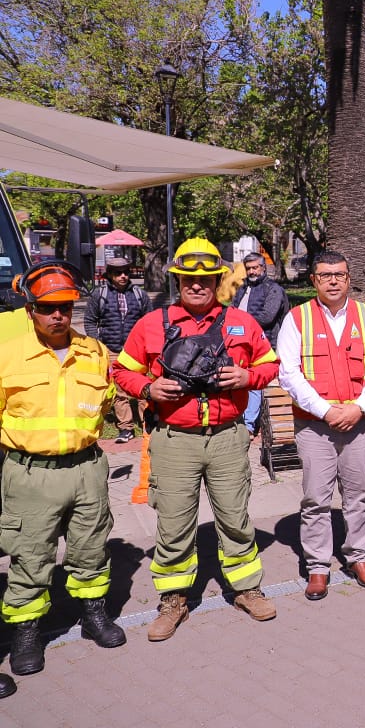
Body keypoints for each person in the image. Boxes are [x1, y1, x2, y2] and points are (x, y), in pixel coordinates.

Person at [114, 238, 280, 640]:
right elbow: (121, 371)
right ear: (178, 280)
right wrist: (148, 390)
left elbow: (270, 364)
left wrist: (247, 377)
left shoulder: (242, 322)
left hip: (227, 437)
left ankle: (245, 587)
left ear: (218, 280)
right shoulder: (152, 323)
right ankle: (173, 599)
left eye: (206, 278)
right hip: (174, 440)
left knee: (235, 517)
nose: (197, 285)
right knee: (173, 523)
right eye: (189, 278)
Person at [0, 262, 124, 682]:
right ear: (30, 309)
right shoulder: (8, 351)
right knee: (31, 557)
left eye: (66, 307)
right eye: (48, 308)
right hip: (30, 472)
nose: (58, 316)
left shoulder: (94, 352)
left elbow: (105, 406)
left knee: (91, 549)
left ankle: (93, 616)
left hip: (87, 468)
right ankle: (26, 634)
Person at [277, 250, 365, 602]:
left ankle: (359, 557)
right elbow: (288, 373)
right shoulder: (297, 318)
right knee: (316, 498)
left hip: (358, 422)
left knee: (358, 495)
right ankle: (318, 566)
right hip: (314, 426)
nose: (333, 280)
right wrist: (326, 410)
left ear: (349, 278)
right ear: (314, 281)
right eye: (325, 275)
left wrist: (359, 407)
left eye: (339, 274)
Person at [84, 256, 150, 443]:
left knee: (142, 387)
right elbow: (90, 320)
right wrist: (96, 343)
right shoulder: (100, 294)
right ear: (110, 275)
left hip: (137, 350)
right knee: (119, 391)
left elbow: (149, 320)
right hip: (111, 348)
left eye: (126, 273)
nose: (123, 276)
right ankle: (126, 428)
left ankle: (147, 424)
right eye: (118, 273)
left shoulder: (139, 294)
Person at [231, 252, 289, 436]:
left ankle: (249, 425)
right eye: (249, 268)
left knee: (256, 383)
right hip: (240, 344)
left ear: (263, 268)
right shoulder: (242, 288)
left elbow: (267, 316)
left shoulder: (273, 289)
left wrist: (241, 322)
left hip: (267, 342)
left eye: (255, 267)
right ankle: (243, 418)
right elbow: (232, 311)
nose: (252, 271)